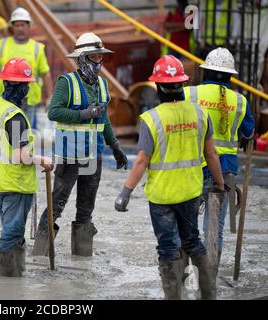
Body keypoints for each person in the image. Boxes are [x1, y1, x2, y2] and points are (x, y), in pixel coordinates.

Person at [115, 55, 225, 300]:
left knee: (167, 248)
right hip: (191, 192)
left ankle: (173, 297)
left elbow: (142, 159)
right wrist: (219, 183)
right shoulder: (199, 114)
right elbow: (211, 154)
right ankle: (209, 295)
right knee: (193, 242)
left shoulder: (151, 119)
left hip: (162, 196)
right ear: (182, 85)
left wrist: (126, 192)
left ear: (159, 87)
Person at [32, 33, 128, 257]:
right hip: (70, 156)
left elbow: (104, 121)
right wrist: (83, 113)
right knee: (57, 204)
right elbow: (53, 111)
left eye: (100, 57)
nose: (99, 62)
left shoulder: (103, 85)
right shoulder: (67, 83)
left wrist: (115, 147)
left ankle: (82, 258)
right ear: (83, 58)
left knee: (86, 209)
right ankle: (40, 253)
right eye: (94, 57)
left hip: (94, 156)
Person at [0, 58, 53, 277]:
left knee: (12, 230)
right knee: (11, 234)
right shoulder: (16, 117)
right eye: (26, 85)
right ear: (21, 88)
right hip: (14, 185)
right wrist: (43, 160)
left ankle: (15, 274)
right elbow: (21, 155)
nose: (28, 89)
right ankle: (7, 283)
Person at [184, 47, 255, 273]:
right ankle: (209, 280)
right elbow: (249, 132)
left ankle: (183, 277)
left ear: (207, 71)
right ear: (229, 76)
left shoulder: (190, 94)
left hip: (191, 169)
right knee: (215, 229)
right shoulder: (240, 101)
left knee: (186, 225)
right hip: (224, 173)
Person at [0, 7, 53, 128]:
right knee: (4, 131)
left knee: (25, 132)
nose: (20, 28)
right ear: (12, 27)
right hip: (5, 98)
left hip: (29, 100)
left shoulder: (37, 48)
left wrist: (50, 97)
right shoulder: (3, 44)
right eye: (17, 25)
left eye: (22, 25)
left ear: (28, 26)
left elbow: (46, 73)